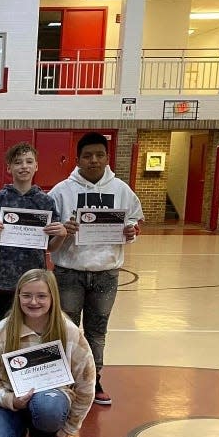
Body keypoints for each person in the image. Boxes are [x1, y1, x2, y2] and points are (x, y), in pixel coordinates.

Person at [47, 132, 144, 406]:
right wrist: (63, 229)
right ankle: (63, 379)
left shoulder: (121, 190)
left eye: (99, 155)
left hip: (106, 272)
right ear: (77, 159)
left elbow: (135, 222)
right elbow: (48, 232)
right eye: (87, 155)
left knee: (97, 331)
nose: (93, 160)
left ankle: (94, 378)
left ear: (107, 157)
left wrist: (130, 232)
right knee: (66, 329)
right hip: (69, 271)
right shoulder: (61, 191)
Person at [0, 269, 96, 437]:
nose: (33, 302)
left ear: (53, 298)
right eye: (27, 295)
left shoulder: (69, 332)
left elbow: (86, 382)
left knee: (47, 405)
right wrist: (9, 400)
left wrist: (70, 426)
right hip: (10, 403)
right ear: (18, 296)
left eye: (41, 296)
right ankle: (18, 426)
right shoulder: (4, 329)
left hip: (50, 401)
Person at [0, 142, 67, 332]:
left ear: (36, 166)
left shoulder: (46, 201)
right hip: (2, 281)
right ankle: (0, 363)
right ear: (9, 168)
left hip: (35, 282)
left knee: (35, 332)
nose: (24, 166)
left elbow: (51, 247)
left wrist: (62, 234)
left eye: (29, 161)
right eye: (18, 162)